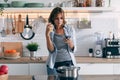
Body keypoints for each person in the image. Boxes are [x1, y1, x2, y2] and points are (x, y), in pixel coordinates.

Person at [45, 7, 76, 80]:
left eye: (61, 18)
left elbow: (74, 49)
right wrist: (47, 35)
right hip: (53, 64)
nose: (59, 21)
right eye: (56, 18)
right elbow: (51, 50)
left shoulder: (70, 29)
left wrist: (70, 42)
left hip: (68, 64)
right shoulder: (50, 30)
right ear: (53, 19)